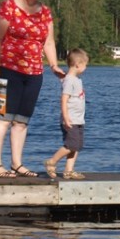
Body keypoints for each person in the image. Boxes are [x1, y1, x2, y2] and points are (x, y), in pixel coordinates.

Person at [0, 0, 66, 178]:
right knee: (2, 118)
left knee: (21, 121)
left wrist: (54, 64)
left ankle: (17, 164)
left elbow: (48, 41)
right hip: (5, 69)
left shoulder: (45, 12)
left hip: (33, 73)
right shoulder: (8, 6)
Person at [43, 48, 89, 180]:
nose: (86, 68)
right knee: (71, 145)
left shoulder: (74, 79)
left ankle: (69, 170)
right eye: (85, 65)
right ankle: (52, 161)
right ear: (78, 64)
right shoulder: (70, 80)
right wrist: (66, 117)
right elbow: (64, 99)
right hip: (70, 120)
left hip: (78, 120)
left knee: (77, 146)